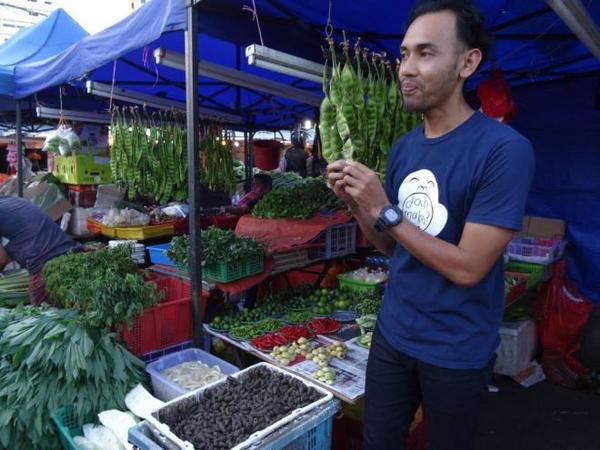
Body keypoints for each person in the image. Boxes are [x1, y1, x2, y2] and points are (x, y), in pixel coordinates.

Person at [327, 1, 535, 449]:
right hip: (394, 332)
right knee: (378, 441)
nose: (406, 68)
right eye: (404, 54)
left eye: (425, 53)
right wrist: (358, 204)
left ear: (468, 62)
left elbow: (468, 268)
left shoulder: (504, 150)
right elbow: (392, 248)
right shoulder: (404, 149)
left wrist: (383, 207)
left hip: (456, 350)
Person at [0, 195, 80, 305]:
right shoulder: (8, 200)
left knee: (41, 313)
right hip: (68, 252)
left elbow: (1, 259)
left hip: (44, 264)